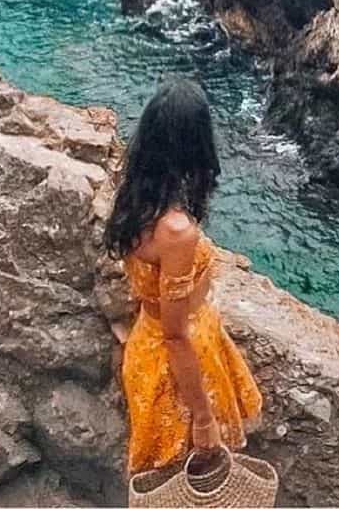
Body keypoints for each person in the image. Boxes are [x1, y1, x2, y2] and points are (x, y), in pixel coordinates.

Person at [104, 79, 262, 479]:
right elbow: (175, 334)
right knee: (190, 479)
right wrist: (204, 415)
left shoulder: (135, 199)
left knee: (165, 477)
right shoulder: (176, 232)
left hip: (147, 345)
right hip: (178, 363)